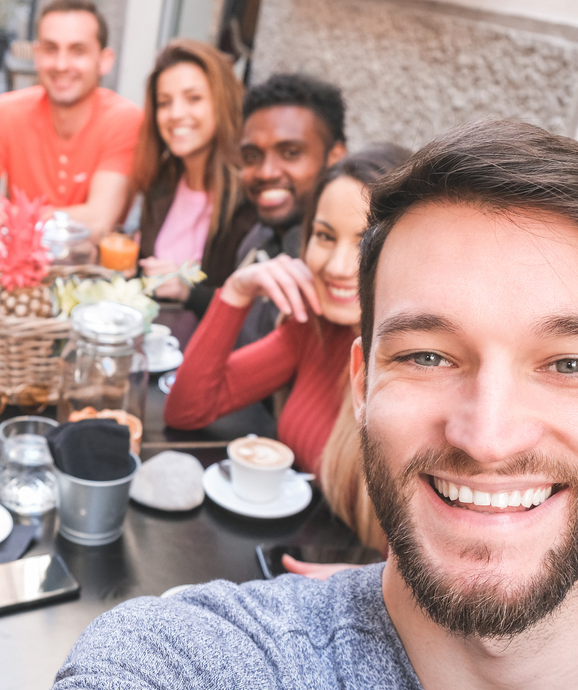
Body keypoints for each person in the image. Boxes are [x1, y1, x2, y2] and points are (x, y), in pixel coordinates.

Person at [53, 120, 578, 689]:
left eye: (570, 363)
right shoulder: (202, 658)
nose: (486, 437)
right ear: (362, 384)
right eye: (426, 355)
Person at [166, 145, 409, 552]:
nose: (335, 265)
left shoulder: (416, 370)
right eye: (325, 236)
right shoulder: (314, 330)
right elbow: (188, 409)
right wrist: (237, 292)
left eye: (365, 243)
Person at [0, 0, 143, 251]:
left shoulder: (124, 120)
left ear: (104, 60)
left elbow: (99, 221)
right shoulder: (6, 112)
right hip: (17, 267)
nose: (61, 65)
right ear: (37, 55)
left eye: (77, 50)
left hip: (88, 276)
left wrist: (18, 218)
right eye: (51, 49)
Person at [186, 73, 347, 346]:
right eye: (252, 156)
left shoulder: (339, 274)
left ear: (335, 157)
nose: (266, 172)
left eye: (291, 153)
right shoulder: (257, 237)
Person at [130, 39, 244, 302]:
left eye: (194, 98)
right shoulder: (161, 181)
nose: (176, 114)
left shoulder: (245, 200)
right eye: (164, 102)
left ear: (222, 103)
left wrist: (188, 292)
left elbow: (251, 314)